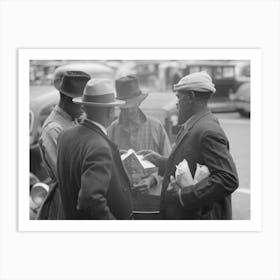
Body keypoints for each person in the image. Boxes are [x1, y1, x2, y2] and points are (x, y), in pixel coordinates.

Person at [141, 71, 239, 219]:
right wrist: (161, 162)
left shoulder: (207, 130)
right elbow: (190, 164)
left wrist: (183, 195)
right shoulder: (196, 124)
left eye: (179, 97)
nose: (176, 103)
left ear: (191, 97)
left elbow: (227, 178)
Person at [57, 78, 133, 219]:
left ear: (84, 107)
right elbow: (90, 200)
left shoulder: (65, 135)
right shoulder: (99, 147)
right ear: (110, 111)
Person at [37, 70, 90, 219]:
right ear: (69, 100)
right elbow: (67, 176)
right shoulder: (54, 129)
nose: (85, 108)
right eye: (83, 104)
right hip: (66, 203)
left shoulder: (73, 120)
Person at [108, 75, 172, 191]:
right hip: (123, 198)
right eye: (124, 107)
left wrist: (153, 179)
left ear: (139, 103)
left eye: (132, 106)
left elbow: (169, 164)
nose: (129, 110)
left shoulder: (156, 126)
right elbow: (106, 166)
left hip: (152, 198)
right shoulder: (112, 129)